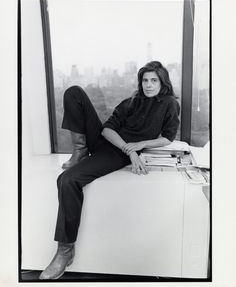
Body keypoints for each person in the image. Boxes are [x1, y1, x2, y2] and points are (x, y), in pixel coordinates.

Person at [39, 61, 180, 280]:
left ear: (163, 83)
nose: (148, 85)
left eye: (154, 81)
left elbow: (167, 137)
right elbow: (106, 130)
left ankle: (64, 250)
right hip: (110, 144)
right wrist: (129, 149)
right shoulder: (131, 101)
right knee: (74, 92)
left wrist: (139, 145)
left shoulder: (169, 104)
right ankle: (80, 150)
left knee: (67, 180)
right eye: (145, 80)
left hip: (116, 155)